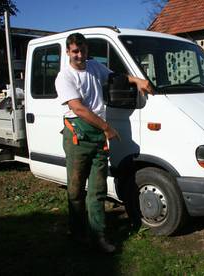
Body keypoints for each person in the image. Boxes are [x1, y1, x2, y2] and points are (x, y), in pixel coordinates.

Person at [55, 33, 153, 253]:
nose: (79, 55)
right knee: (75, 190)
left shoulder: (93, 66)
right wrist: (107, 128)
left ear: (87, 50)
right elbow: (78, 108)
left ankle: (98, 236)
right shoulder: (64, 76)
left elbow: (115, 76)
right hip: (78, 135)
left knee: (97, 190)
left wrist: (137, 80)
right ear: (68, 52)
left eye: (82, 50)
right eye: (74, 52)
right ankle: (77, 231)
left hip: (98, 134)